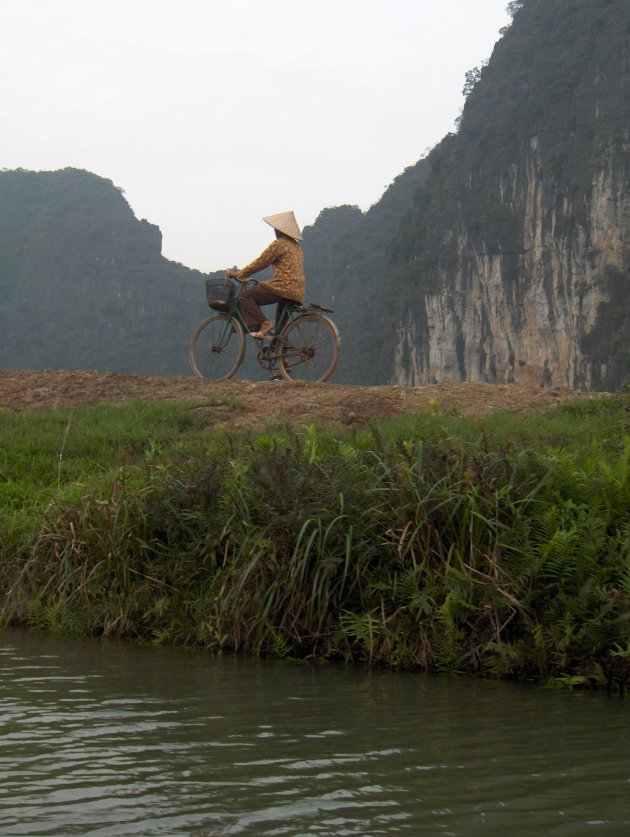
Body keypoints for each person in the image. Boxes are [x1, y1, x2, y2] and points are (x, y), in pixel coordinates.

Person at [226, 211, 305, 338]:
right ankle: (281, 354)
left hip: (282, 287)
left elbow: (261, 262)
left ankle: (265, 324)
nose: (274, 231)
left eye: (276, 228)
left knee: (244, 297)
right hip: (297, 291)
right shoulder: (297, 247)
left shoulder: (279, 244)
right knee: (281, 332)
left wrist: (239, 274)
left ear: (281, 230)